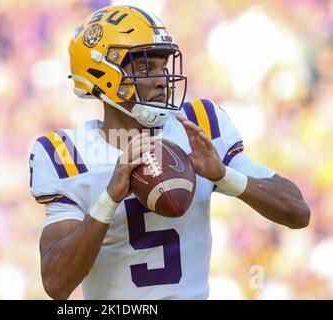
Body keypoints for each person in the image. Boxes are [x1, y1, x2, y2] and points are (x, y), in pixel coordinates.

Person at [29, 5, 310, 300]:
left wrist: (225, 176)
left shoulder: (197, 126)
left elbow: (298, 213)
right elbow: (56, 284)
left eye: (162, 66)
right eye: (145, 68)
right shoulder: (68, 153)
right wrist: (108, 200)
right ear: (101, 74)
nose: (162, 78)